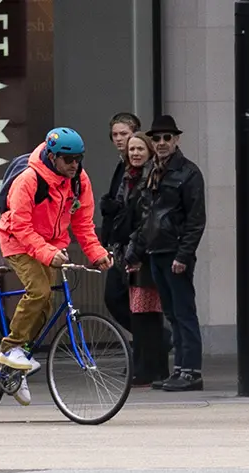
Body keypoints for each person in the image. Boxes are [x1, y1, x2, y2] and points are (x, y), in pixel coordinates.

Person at [0, 127, 113, 405]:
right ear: (52, 156)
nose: (74, 165)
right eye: (68, 159)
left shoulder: (79, 181)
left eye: (79, 159)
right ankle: (10, 348)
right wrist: (48, 253)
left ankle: (18, 361)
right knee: (38, 291)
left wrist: (97, 254)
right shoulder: (29, 180)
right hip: (18, 242)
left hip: (50, 245)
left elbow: (83, 223)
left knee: (47, 304)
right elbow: (21, 227)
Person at [126, 115, 206, 392]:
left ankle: (191, 371)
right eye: (157, 138)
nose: (161, 143)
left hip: (174, 252)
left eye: (166, 138)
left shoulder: (188, 173)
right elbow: (146, 217)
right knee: (172, 313)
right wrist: (134, 252)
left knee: (183, 313)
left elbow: (196, 220)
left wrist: (183, 256)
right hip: (156, 251)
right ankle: (181, 370)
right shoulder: (153, 172)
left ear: (176, 140)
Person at [121, 132, 171, 386]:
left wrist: (135, 251)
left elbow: (146, 220)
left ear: (150, 151)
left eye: (140, 148)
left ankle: (147, 369)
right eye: (132, 149)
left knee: (146, 314)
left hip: (144, 252)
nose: (135, 153)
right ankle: (152, 367)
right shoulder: (127, 177)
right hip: (136, 249)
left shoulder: (151, 177)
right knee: (141, 314)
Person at [99, 112, 141, 333]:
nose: (118, 138)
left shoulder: (137, 165)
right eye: (115, 134)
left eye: (123, 133)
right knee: (118, 299)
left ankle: (157, 341)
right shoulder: (121, 165)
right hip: (120, 243)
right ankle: (152, 343)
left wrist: (113, 207)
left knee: (122, 298)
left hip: (131, 244)